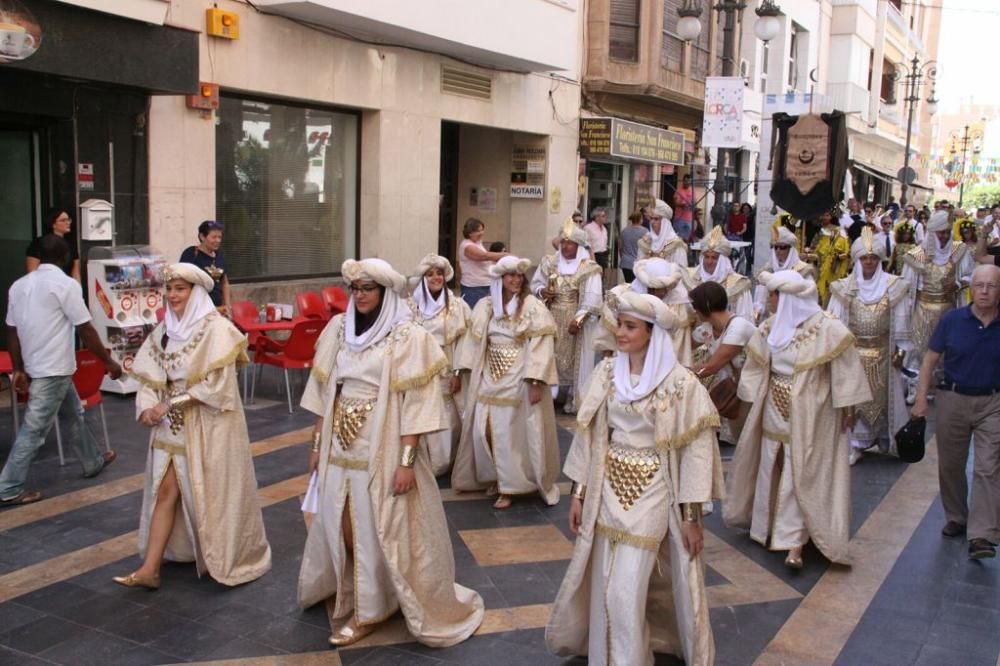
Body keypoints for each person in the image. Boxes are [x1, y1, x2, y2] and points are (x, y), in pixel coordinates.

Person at [298, 258, 484, 646]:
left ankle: (369, 611)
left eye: (368, 288)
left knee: (379, 529)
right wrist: (317, 446)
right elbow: (325, 392)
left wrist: (406, 463)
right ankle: (360, 594)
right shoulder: (338, 330)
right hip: (340, 446)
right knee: (342, 525)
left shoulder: (408, 337)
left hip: (383, 447)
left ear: (384, 292)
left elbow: (417, 405)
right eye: (356, 288)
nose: (360, 295)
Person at [546, 290, 722, 666]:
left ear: (652, 332)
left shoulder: (680, 384)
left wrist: (691, 517)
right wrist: (579, 492)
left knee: (626, 588)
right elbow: (591, 435)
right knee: (605, 585)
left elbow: (696, 454)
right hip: (606, 490)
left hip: (654, 491)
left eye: (629, 327)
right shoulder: (607, 373)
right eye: (620, 325)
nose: (620, 333)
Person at [113, 263, 270, 588]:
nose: (172, 295)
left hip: (208, 429)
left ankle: (222, 554)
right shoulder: (163, 332)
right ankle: (150, 568)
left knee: (208, 492)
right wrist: (146, 408)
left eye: (180, 289)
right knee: (165, 490)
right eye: (169, 289)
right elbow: (150, 378)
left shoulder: (218, 330)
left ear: (195, 292)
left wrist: (169, 403)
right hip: (169, 430)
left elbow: (218, 388)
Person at [723, 271, 871, 569]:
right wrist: (747, 396)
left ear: (790, 298)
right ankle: (765, 527)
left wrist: (848, 407)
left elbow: (845, 368)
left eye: (775, 295)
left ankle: (795, 540)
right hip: (773, 407)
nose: (771, 300)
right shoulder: (769, 327)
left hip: (811, 410)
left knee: (801, 468)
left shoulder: (826, 328)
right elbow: (756, 363)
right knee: (770, 462)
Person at [0, 236, 120, 507]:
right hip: (52, 368)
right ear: (65, 258)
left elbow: (11, 330)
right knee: (34, 430)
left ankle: (92, 461)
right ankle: (8, 487)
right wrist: (109, 363)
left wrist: (19, 368)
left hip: (41, 366)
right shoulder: (65, 285)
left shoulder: (19, 286)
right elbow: (85, 328)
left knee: (74, 414)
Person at [452, 256, 561, 509]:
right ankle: (497, 476)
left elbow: (541, 344)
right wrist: (460, 372)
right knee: (484, 428)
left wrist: (535, 381)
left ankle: (511, 486)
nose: (515, 280)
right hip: (490, 375)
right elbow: (473, 342)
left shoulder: (532, 306)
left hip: (519, 376)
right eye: (510, 275)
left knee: (509, 433)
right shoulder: (486, 306)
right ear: (499, 279)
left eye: (518, 275)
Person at [912, 264, 1000, 560]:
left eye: (991, 286)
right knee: (951, 465)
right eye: (980, 285)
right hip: (953, 399)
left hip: (993, 404)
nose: (985, 291)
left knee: (988, 468)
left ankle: (982, 535)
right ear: (971, 289)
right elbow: (929, 360)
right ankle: (957, 516)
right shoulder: (952, 320)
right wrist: (921, 400)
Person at [828, 228, 912, 466]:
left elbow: (902, 318)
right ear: (857, 260)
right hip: (853, 355)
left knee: (883, 398)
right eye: (864, 258)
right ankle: (855, 445)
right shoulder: (844, 288)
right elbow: (834, 322)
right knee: (854, 401)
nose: (869, 262)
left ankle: (883, 439)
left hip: (884, 353)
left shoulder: (894, 287)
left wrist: (901, 350)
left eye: (873, 258)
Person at [407, 254, 473, 475]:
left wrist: (457, 372)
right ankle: (425, 460)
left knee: (448, 415)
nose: (435, 278)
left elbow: (465, 342)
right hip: (419, 368)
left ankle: (446, 461)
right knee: (420, 411)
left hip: (447, 367)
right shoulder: (411, 306)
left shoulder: (457, 305)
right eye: (430, 274)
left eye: (439, 273)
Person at [532, 220, 603, 414]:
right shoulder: (550, 262)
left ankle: (572, 396)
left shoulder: (589, 268)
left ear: (578, 245)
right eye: (563, 242)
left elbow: (593, 298)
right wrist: (541, 291)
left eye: (570, 243)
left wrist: (579, 319)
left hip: (575, 318)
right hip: (551, 318)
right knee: (550, 355)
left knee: (573, 359)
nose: (565, 246)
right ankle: (550, 393)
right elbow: (535, 283)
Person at [901, 210, 973, 378]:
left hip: (949, 310)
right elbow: (907, 284)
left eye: (947, 232)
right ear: (933, 233)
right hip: (923, 309)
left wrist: (957, 283)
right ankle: (916, 386)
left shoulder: (959, 251)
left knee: (947, 347)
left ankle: (941, 383)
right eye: (941, 232)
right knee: (921, 348)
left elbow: (971, 275)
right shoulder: (917, 255)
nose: (945, 236)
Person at [690, 281, 757, 447]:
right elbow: (683, 345)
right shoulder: (706, 328)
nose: (694, 311)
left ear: (704, 306)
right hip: (734, 393)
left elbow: (712, 366)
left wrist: (681, 375)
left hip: (753, 393)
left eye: (695, 307)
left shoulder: (738, 327)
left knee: (751, 445)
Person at [595, 258, 696, 366]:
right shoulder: (622, 298)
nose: (660, 293)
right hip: (625, 361)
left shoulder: (678, 306)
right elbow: (607, 342)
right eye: (654, 288)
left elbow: (679, 345)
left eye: (664, 288)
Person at [688, 226, 754, 321]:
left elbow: (744, 318)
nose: (709, 262)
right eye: (706, 257)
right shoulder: (690, 278)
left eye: (714, 258)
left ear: (722, 260)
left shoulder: (738, 284)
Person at [753, 226, 817, 321]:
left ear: (790, 249)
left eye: (782, 247)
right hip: (770, 318)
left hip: (795, 318)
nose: (778, 250)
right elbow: (760, 299)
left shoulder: (803, 270)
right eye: (776, 247)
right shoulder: (768, 269)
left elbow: (810, 297)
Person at [179, 220, 231, 317]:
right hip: (197, 310)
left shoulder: (220, 256)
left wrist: (227, 305)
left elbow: (224, 282)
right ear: (202, 237)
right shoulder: (190, 254)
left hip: (218, 308)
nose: (218, 240)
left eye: (220, 237)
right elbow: (182, 280)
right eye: (214, 237)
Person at [458, 217, 507, 310]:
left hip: (486, 284)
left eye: (482, 230)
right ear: (469, 232)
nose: (481, 233)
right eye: (477, 231)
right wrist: (505, 255)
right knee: (474, 316)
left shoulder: (478, 243)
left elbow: (487, 261)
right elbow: (484, 256)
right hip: (473, 288)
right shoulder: (467, 245)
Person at [808, 209, 851, 307]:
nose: (824, 217)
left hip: (833, 267)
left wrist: (836, 257)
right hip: (818, 265)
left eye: (827, 215)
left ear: (831, 217)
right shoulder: (818, 231)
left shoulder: (839, 231)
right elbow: (813, 247)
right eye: (822, 215)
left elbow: (846, 250)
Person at [25, 207, 80, 281]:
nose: (68, 223)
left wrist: (78, 290)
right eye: (63, 220)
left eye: (68, 220)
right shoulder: (38, 243)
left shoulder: (70, 245)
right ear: (53, 224)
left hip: (66, 287)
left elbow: (76, 273)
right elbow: (32, 271)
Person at [638, 199, 688, 266]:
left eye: (656, 219)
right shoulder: (645, 242)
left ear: (665, 222)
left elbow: (681, 271)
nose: (652, 222)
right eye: (651, 218)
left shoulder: (676, 244)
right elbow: (638, 266)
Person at [619, 210, 648, 282]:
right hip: (638, 263)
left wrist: (623, 257)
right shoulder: (645, 231)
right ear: (640, 219)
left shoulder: (624, 231)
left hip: (625, 262)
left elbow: (620, 247)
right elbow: (647, 248)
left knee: (628, 284)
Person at [672, 173, 695, 240]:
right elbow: (675, 203)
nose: (687, 183)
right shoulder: (678, 191)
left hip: (689, 219)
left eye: (688, 181)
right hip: (679, 218)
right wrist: (683, 205)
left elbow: (694, 203)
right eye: (685, 181)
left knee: (686, 240)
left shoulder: (692, 191)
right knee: (678, 239)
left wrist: (693, 206)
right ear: (683, 181)